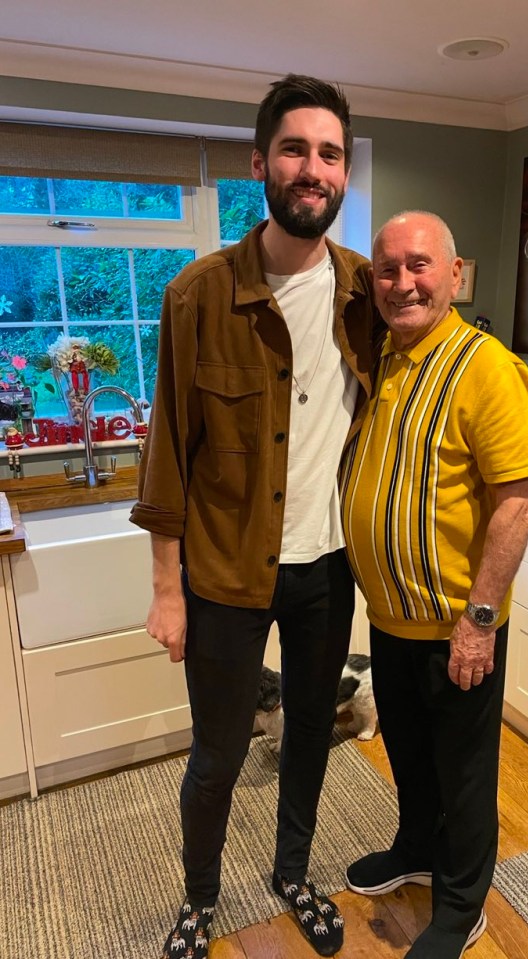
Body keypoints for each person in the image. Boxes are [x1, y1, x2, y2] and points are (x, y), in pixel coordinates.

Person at [130, 74, 380, 959]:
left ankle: (294, 872)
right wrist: (168, 590)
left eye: (330, 153)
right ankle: (200, 898)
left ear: (343, 171)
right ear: (260, 163)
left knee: (312, 731)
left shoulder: (367, 295)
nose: (313, 168)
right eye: (295, 149)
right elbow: (167, 458)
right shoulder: (197, 294)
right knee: (220, 752)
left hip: (328, 567)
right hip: (225, 571)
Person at [340, 211, 528, 959]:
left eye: (419, 266)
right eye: (387, 270)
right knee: (411, 755)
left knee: (463, 774)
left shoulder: (485, 366)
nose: (402, 283)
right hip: (391, 618)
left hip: (459, 624)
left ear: (453, 275)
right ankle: (414, 848)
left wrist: (480, 620)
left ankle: (462, 903)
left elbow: (517, 500)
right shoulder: (387, 358)